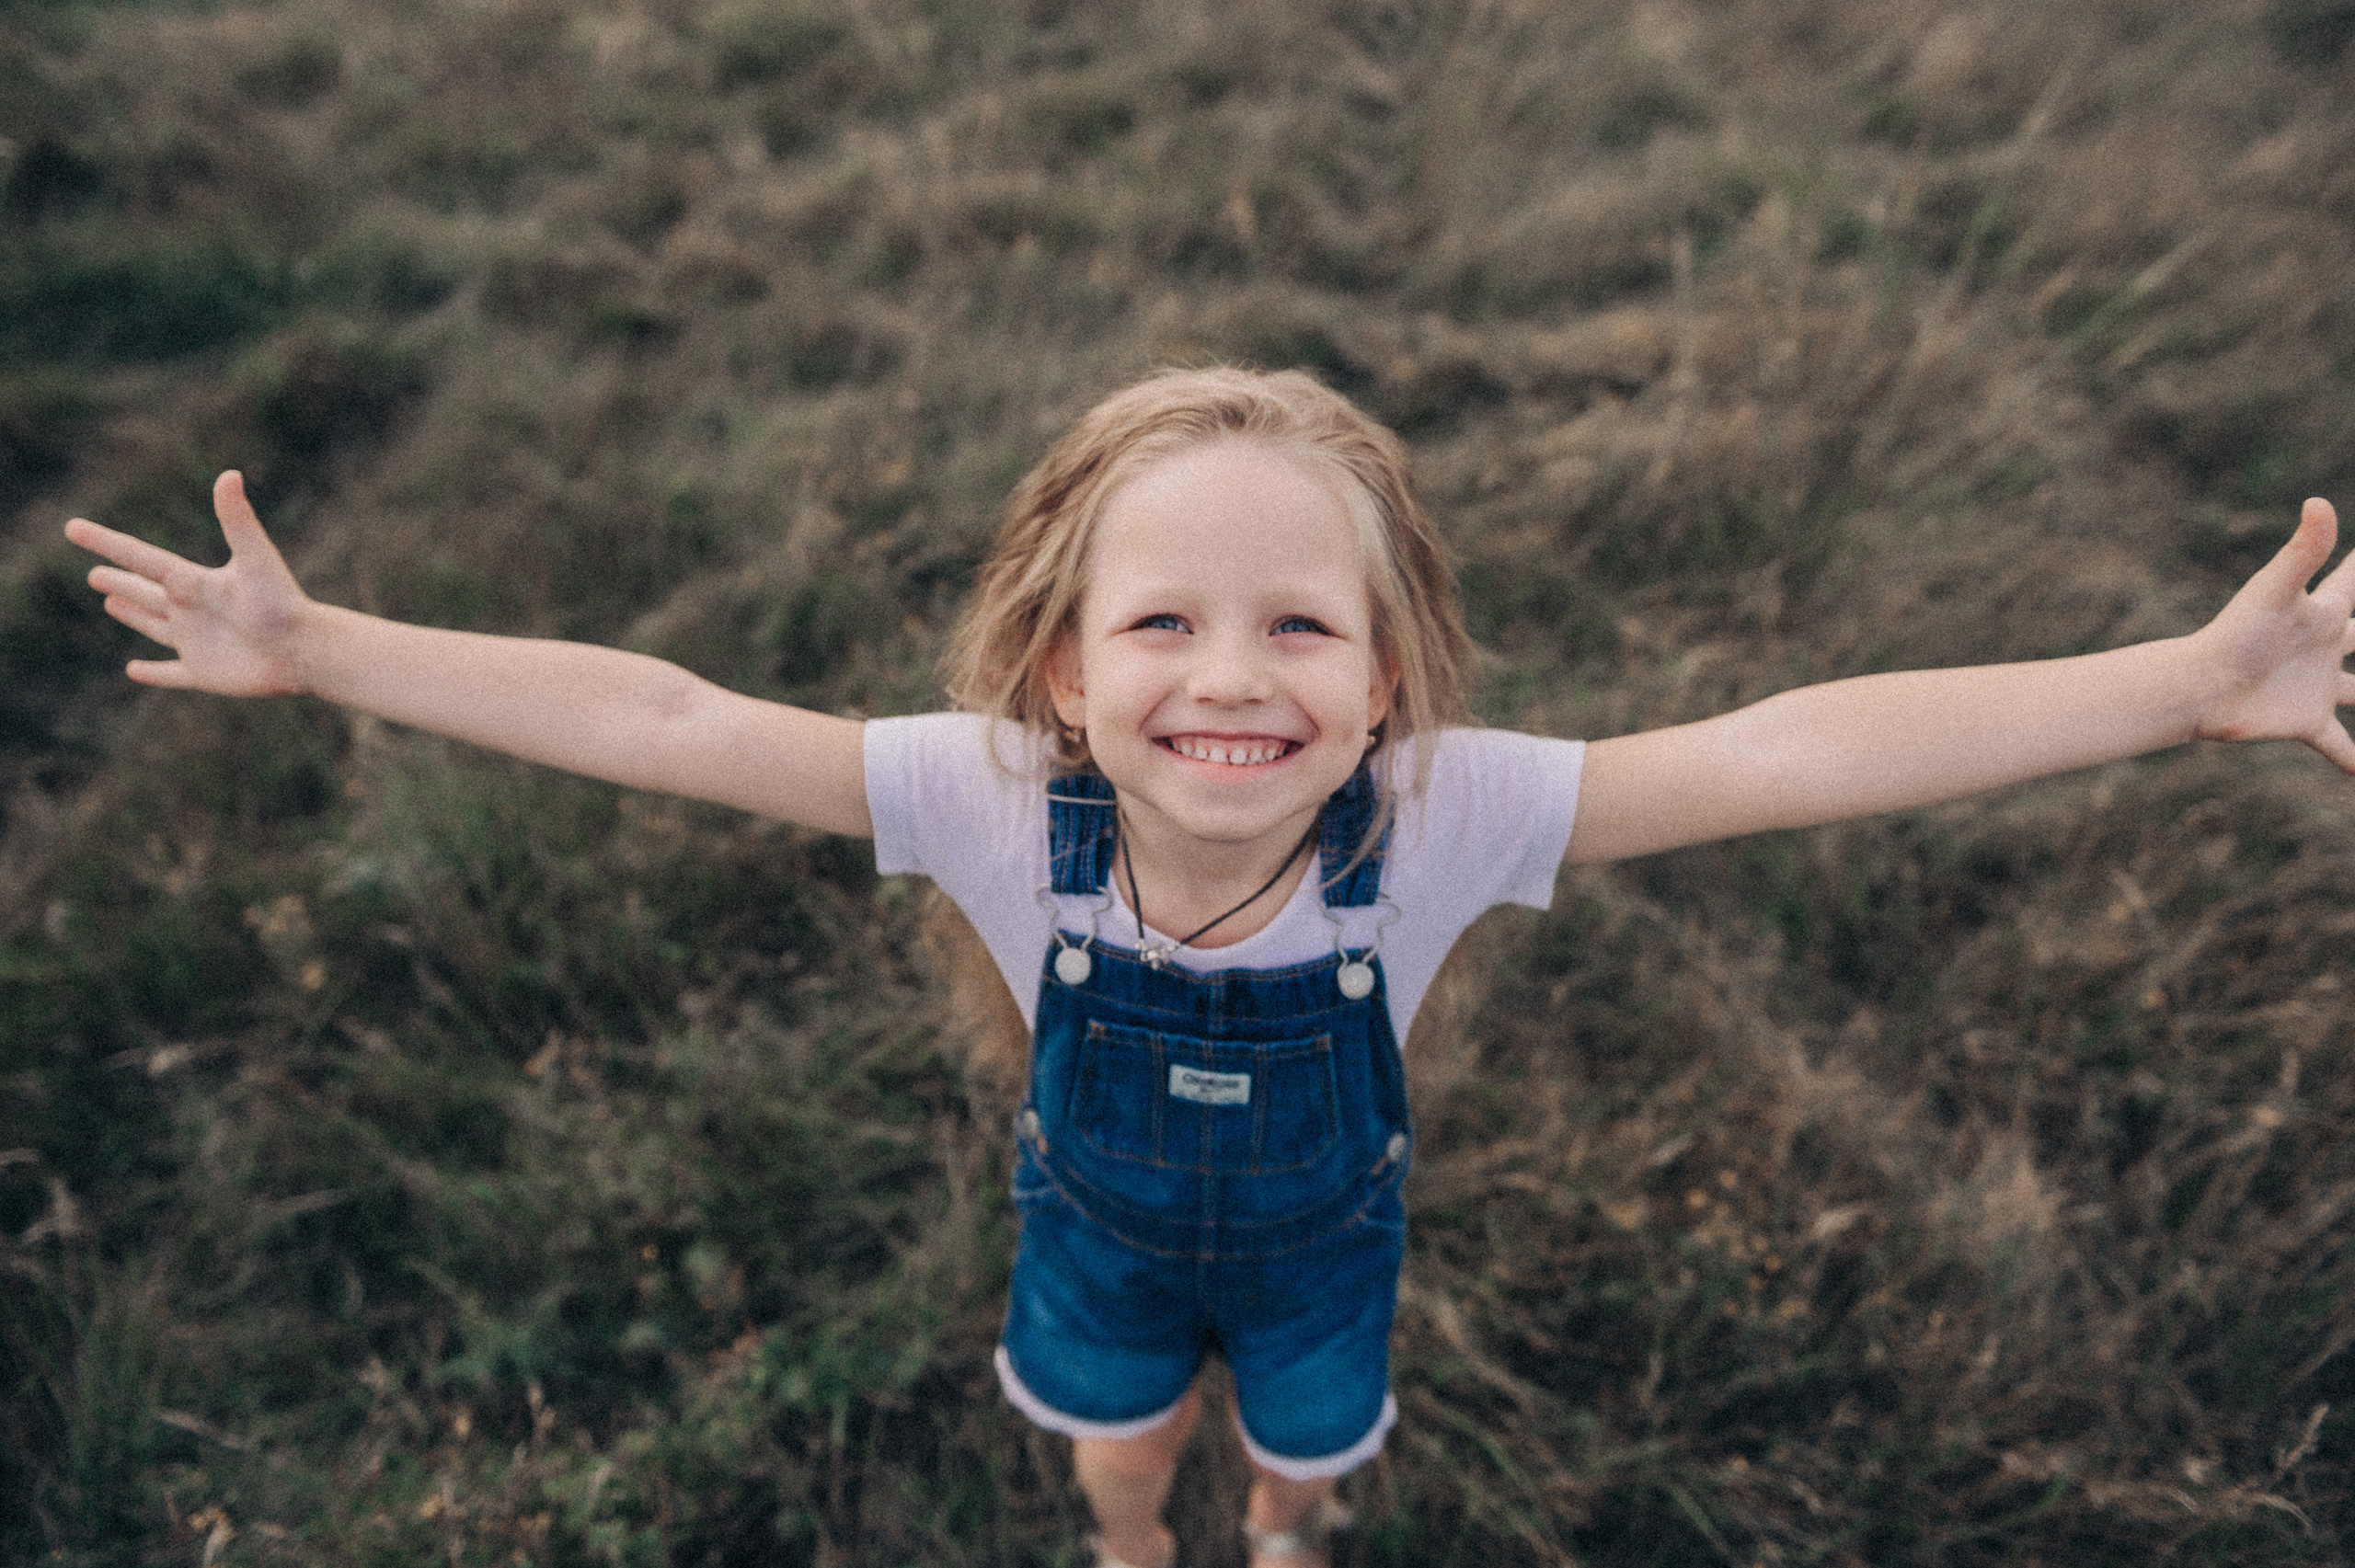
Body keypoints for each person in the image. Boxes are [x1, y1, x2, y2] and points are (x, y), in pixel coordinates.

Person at [64, 368, 2355, 1568]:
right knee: (1113, 1434)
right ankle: (1138, 1535)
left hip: (1323, 1239)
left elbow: (1781, 746)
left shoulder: (1445, 812)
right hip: (1091, 1217)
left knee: (1304, 1436)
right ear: (1056, 667)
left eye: (1298, 623)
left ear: (1387, 674)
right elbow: (664, 715)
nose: (1226, 677)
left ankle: (1282, 1528)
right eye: (1160, 619)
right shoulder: (980, 793)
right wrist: (327, 643)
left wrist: (2169, 685)